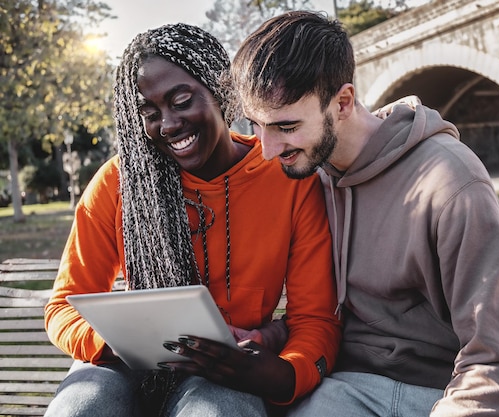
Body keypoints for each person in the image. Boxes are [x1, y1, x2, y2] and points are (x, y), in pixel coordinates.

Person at [230, 10, 499, 417]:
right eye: (257, 125)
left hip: (438, 395)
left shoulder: (451, 182)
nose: (267, 150)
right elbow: (341, 314)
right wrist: (269, 338)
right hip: (339, 388)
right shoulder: (310, 176)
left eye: (286, 127)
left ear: (342, 102)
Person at [43, 23, 341, 417]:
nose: (167, 125)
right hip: (126, 364)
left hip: (228, 373)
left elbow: (315, 319)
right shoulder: (119, 183)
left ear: (221, 91)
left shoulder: (286, 180)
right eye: (149, 113)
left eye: (181, 101)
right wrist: (113, 342)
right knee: (80, 408)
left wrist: (286, 373)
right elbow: (62, 307)